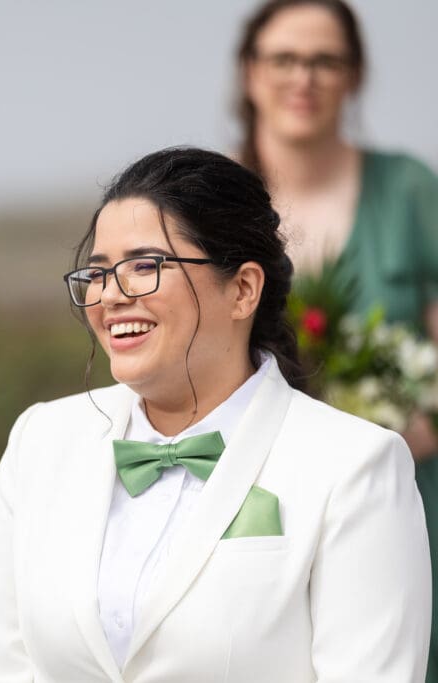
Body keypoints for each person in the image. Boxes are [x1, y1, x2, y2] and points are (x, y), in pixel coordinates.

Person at [0, 147, 431, 681]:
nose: (112, 296)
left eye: (145, 266)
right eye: (99, 273)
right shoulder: (41, 439)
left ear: (243, 289)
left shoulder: (354, 466)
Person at [236, 1, 438, 675]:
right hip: (258, 505)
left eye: (326, 60)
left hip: (411, 487)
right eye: (285, 58)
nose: (305, 77)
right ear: (250, 72)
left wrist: (422, 424)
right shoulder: (209, 200)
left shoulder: (410, 189)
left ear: (354, 76)